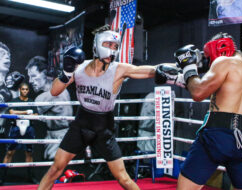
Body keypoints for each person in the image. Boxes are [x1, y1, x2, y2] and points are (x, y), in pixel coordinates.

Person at [37, 25, 184, 190]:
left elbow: (151, 70)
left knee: (123, 178)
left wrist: (182, 65)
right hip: (81, 124)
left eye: (115, 47)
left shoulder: (119, 69)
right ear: (97, 45)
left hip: (103, 128)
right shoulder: (79, 68)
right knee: (55, 169)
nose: (112, 50)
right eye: (108, 45)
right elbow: (55, 91)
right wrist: (67, 72)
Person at [174, 33, 242, 190]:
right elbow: (223, 90)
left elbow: (198, 93)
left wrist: (188, 68)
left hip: (217, 136)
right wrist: (180, 79)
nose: (209, 61)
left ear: (219, 47)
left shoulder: (224, 61)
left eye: (208, 56)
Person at [25, 56, 73, 160]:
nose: (30, 81)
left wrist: (13, 93)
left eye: (33, 76)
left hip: (59, 136)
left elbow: (26, 114)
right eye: (29, 77)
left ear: (45, 73)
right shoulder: (61, 87)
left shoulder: (47, 95)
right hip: (62, 133)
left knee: (53, 168)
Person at [2, 82, 38, 184]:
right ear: (20, 90)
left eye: (26, 89)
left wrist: (26, 113)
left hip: (29, 128)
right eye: (23, 89)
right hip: (16, 128)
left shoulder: (31, 101)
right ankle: (2, 177)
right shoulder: (15, 101)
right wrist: (26, 112)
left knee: (29, 153)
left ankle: (30, 177)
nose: (25, 91)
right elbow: (11, 112)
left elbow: (35, 114)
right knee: (9, 153)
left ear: (28, 91)